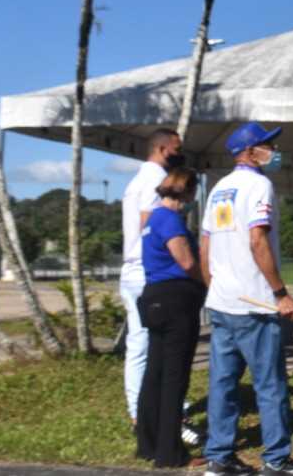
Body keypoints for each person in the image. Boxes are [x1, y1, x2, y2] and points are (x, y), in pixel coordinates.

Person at [200, 122, 293, 476]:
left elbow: (205, 244)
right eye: (268, 145)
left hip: (222, 302)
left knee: (222, 385)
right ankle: (276, 461)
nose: (273, 151)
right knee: (270, 386)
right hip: (255, 305)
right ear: (250, 151)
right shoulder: (259, 185)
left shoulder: (219, 188)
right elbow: (257, 240)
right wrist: (281, 294)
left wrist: (214, 287)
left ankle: (219, 457)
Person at [135, 168, 206, 468]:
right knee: (175, 377)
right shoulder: (171, 220)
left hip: (154, 297)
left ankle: (147, 443)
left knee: (155, 373)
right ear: (187, 191)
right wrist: (207, 283)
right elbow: (186, 261)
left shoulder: (152, 219)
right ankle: (170, 452)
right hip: (176, 299)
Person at [120, 129, 184, 425]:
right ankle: (149, 410)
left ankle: (139, 407)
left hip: (131, 269)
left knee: (139, 343)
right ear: (161, 148)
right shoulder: (154, 181)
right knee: (154, 346)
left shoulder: (136, 180)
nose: (179, 153)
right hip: (148, 272)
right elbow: (151, 225)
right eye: (176, 148)